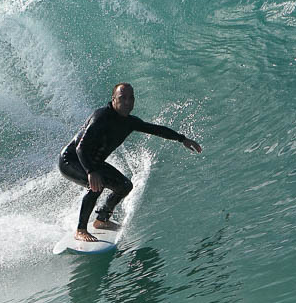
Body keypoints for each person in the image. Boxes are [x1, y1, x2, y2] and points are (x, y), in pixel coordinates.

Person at [59, 83, 202, 242]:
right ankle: (81, 230)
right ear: (113, 100)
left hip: (94, 163)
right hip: (71, 160)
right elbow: (81, 148)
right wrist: (91, 171)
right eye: (122, 98)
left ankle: (102, 220)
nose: (127, 102)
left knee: (125, 185)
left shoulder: (129, 122)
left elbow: (156, 129)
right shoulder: (100, 117)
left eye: (131, 98)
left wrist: (182, 139)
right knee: (97, 185)